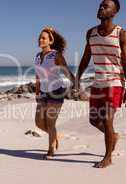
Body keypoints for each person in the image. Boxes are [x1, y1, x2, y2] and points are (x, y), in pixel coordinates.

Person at [75, 0, 126, 168]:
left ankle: (108, 157)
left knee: (107, 119)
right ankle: (113, 136)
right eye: (100, 5)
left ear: (114, 12)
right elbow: (86, 57)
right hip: (98, 83)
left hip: (115, 82)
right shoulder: (90, 33)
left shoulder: (122, 34)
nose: (101, 8)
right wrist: (78, 78)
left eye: (106, 7)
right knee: (94, 120)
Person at [34, 26, 75, 159]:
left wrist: (75, 85)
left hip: (56, 91)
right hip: (43, 93)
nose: (41, 40)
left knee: (50, 123)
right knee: (39, 123)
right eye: (40, 37)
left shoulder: (56, 55)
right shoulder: (37, 56)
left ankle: (51, 151)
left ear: (50, 41)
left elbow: (67, 71)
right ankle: (55, 135)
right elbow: (38, 76)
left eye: (44, 38)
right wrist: (37, 92)